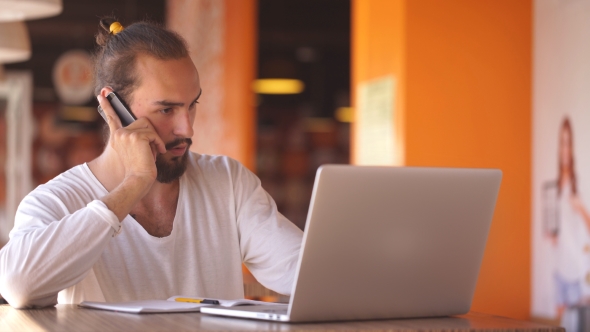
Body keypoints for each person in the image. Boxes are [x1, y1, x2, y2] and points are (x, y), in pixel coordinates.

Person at [0, 18, 303, 308]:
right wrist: (134, 183)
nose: (187, 129)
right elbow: (17, 286)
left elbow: (301, 272)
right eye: (167, 109)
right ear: (113, 106)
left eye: (191, 105)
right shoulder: (56, 201)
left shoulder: (228, 181)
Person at [551, 117, 590, 319]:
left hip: (574, 271)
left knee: (575, 324)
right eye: (562, 143)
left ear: (572, 147)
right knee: (560, 324)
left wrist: (580, 206)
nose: (565, 149)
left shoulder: (576, 184)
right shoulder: (556, 186)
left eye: (568, 143)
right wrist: (553, 236)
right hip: (559, 269)